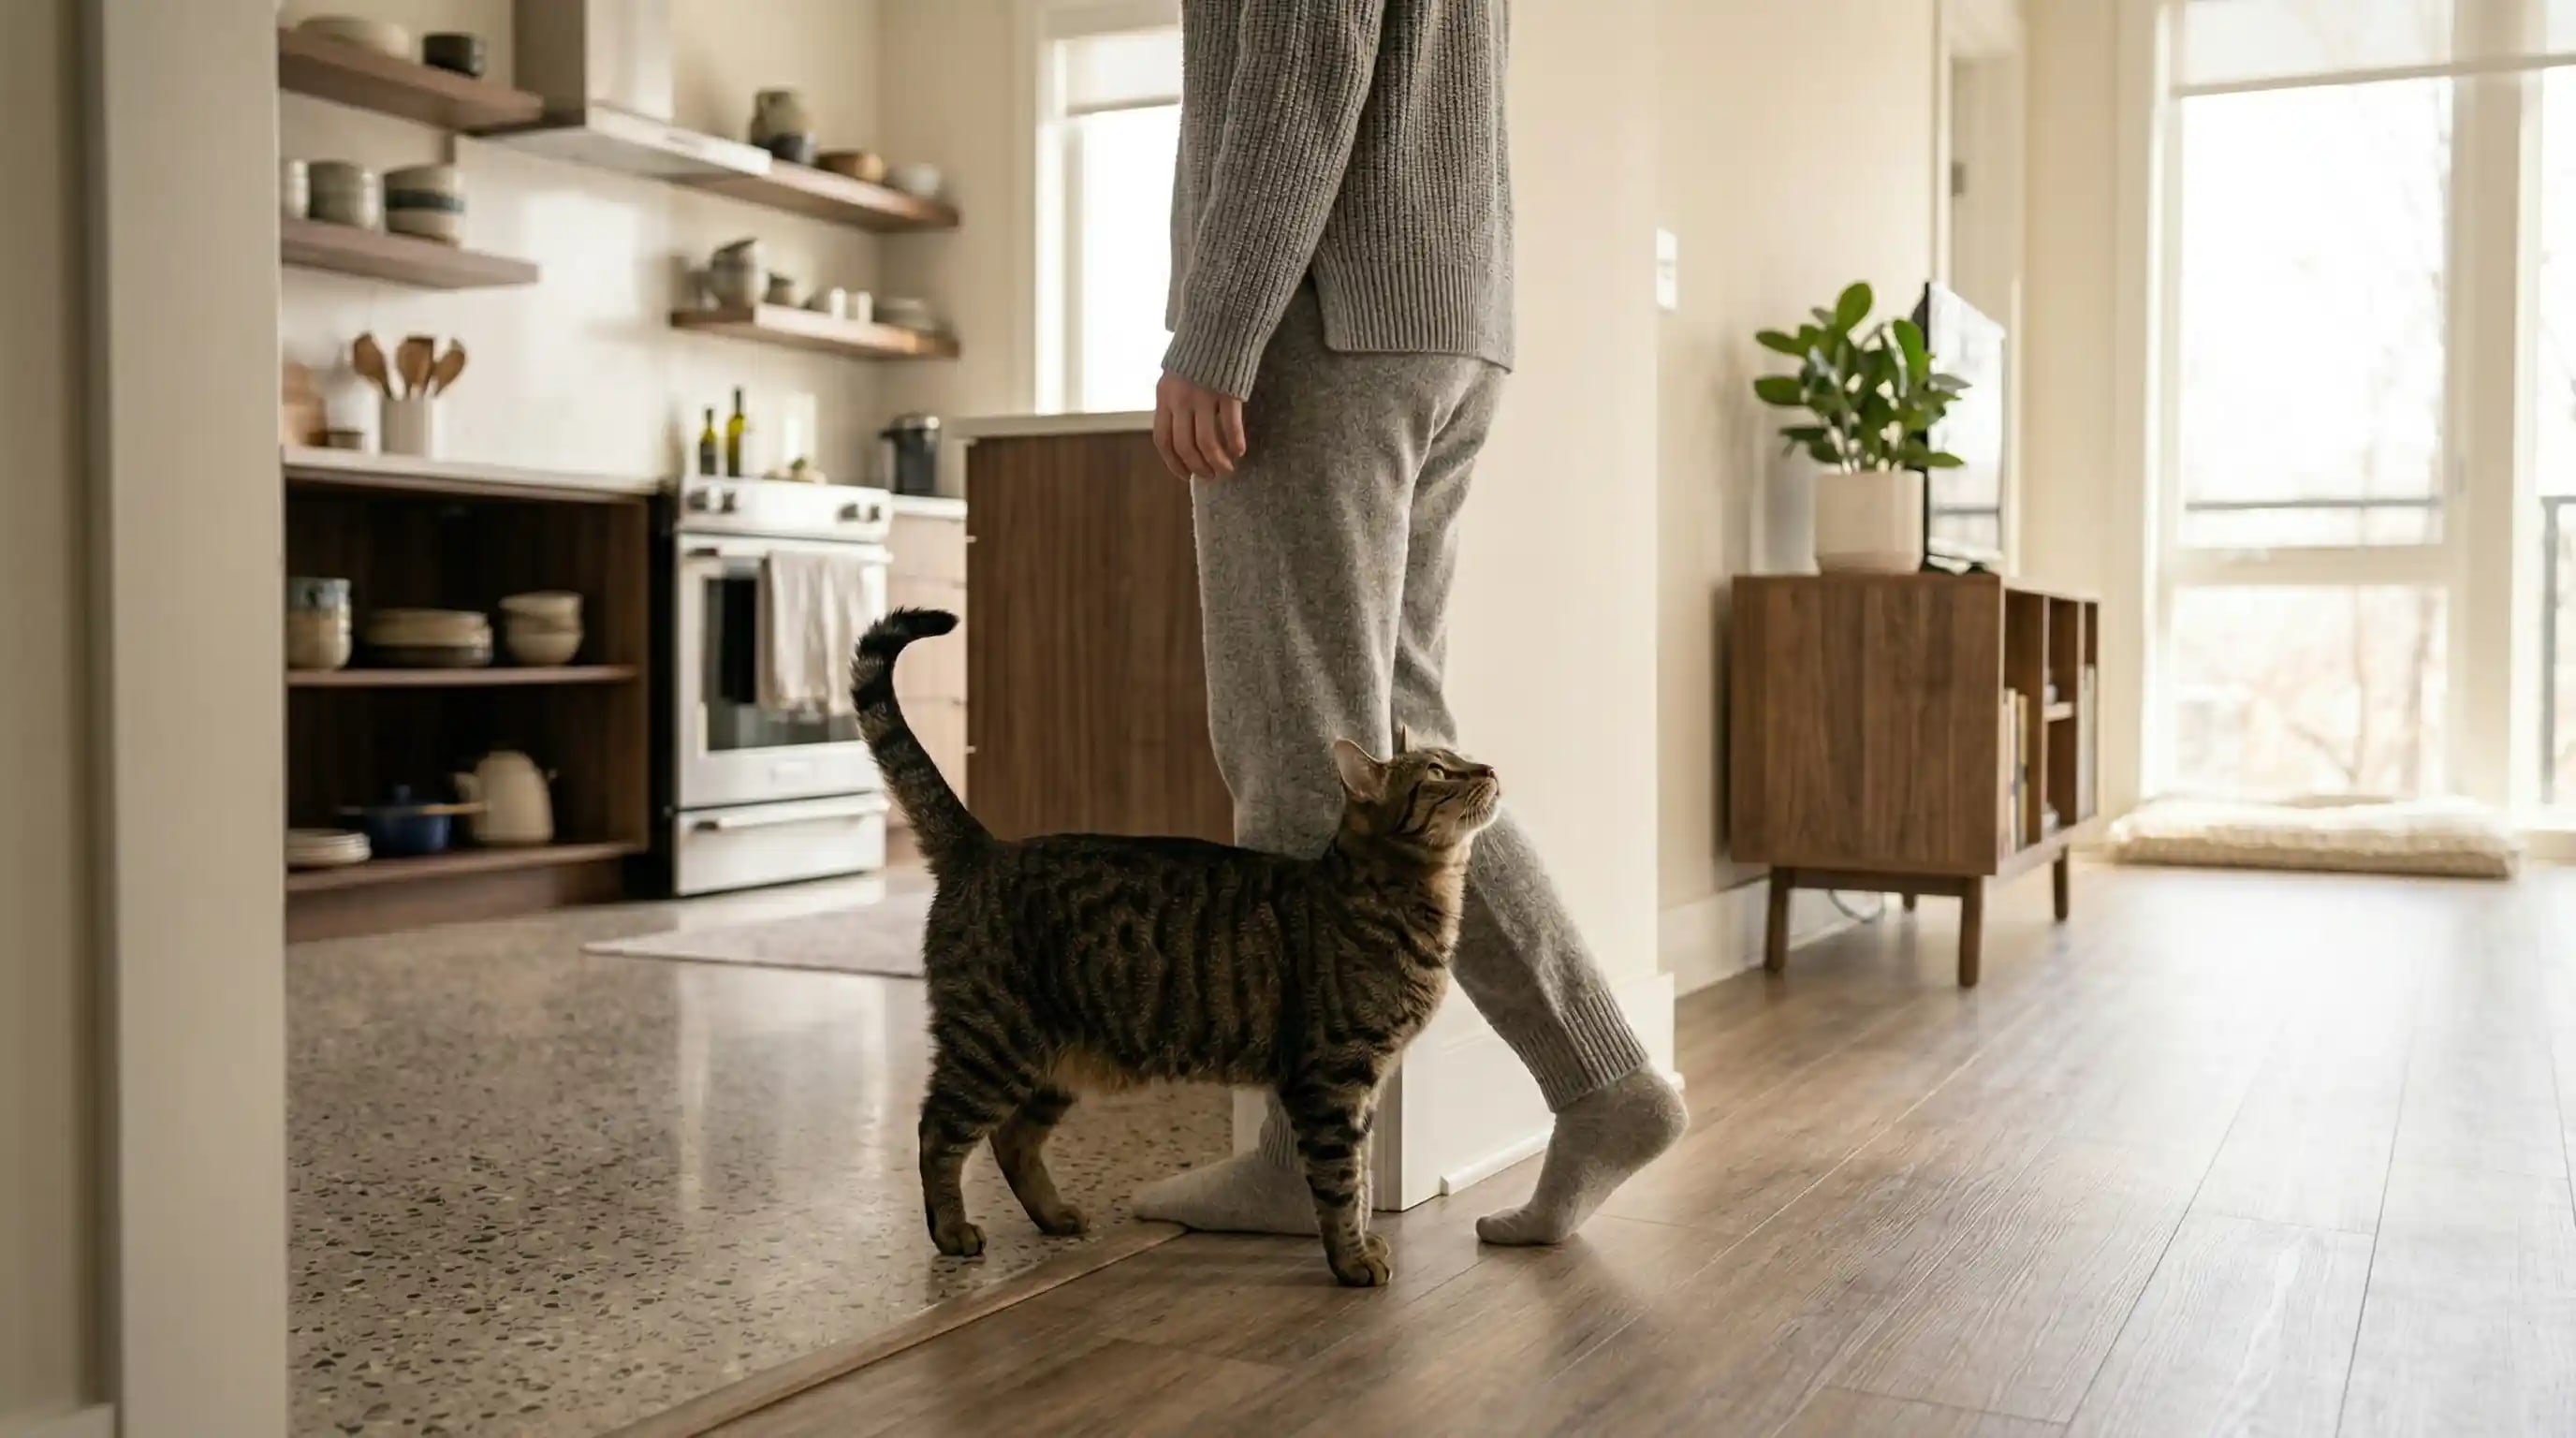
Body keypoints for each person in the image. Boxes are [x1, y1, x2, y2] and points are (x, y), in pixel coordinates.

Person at [1135, 0, 1687, 1246]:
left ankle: (1301, 1159)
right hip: (1445, 319)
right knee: (1391, 754)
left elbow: (1301, 75)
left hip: (1325, 325)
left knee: (1299, 747)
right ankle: (1605, 1083)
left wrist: (1216, 329)